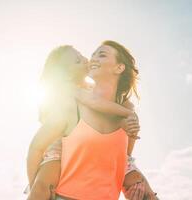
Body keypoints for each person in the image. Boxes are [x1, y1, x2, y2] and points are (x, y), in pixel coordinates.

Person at [26, 42, 157, 199]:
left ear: (119, 68)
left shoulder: (125, 106)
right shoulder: (74, 95)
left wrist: (130, 126)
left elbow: (125, 153)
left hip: (113, 161)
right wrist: (34, 183)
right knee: (41, 186)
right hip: (58, 152)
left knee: (143, 191)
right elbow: (95, 102)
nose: (90, 59)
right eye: (92, 55)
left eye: (100, 55)